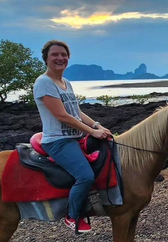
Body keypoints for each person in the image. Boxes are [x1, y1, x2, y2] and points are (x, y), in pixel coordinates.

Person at [33, 40, 112, 233]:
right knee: (85, 176)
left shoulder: (65, 83)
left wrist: (96, 125)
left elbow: (75, 112)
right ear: (46, 59)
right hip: (58, 141)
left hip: (76, 137)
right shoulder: (44, 82)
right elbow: (61, 115)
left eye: (64, 55)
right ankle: (72, 216)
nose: (60, 58)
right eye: (55, 55)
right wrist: (92, 132)